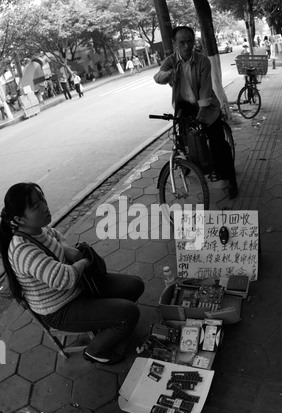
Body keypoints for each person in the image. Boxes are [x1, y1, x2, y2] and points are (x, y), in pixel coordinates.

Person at [0, 182, 145, 365]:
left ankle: (108, 320)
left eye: (42, 199)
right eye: (36, 206)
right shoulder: (23, 251)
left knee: (135, 285)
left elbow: (57, 235)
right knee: (129, 313)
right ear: (20, 219)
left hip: (79, 287)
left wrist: (65, 248)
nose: (45, 207)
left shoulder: (39, 229)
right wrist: (84, 262)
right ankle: (95, 351)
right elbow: (65, 278)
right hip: (60, 308)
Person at [153, 25, 238, 199]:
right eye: (182, 42)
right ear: (174, 43)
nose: (186, 46)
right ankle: (191, 165)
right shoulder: (171, 60)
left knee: (218, 145)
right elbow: (158, 77)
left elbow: (206, 90)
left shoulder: (203, 61)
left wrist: (201, 114)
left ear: (194, 41)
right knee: (184, 140)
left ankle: (231, 179)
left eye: (190, 41)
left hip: (206, 107)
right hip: (184, 108)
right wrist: (169, 74)